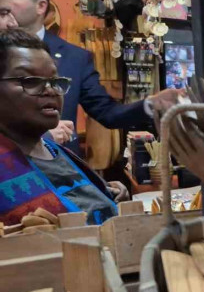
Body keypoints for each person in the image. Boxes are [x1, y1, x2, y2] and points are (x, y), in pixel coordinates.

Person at [0, 0, 180, 153]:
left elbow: (107, 113)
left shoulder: (75, 58)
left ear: (41, 6)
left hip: (63, 171)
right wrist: (44, 138)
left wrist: (150, 105)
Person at [0, 29, 128, 225]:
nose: (50, 90)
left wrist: (104, 193)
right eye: (30, 81)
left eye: (55, 80)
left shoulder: (57, 152)